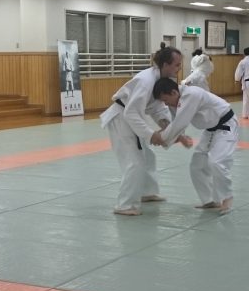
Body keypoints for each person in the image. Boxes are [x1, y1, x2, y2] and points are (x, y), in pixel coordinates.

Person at [100, 47, 185, 216]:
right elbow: (131, 112)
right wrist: (151, 134)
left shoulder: (159, 80)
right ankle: (124, 204)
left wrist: (167, 127)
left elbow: (156, 107)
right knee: (135, 161)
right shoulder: (146, 80)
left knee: (148, 156)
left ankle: (147, 192)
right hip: (121, 119)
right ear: (166, 64)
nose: (179, 68)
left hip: (131, 117)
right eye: (177, 65)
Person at [152, 78, 237, 214]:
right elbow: (176, 121)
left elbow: (180, 122)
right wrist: (182, 137)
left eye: (165, 99)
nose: (165, 103)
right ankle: (210, 200)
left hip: (226, 126)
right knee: (197, 165)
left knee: (217, 162)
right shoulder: (176, 101)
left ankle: (226, 198)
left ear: (174, 92)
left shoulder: (191, 95)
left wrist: (161, 138)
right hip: (210, 130)